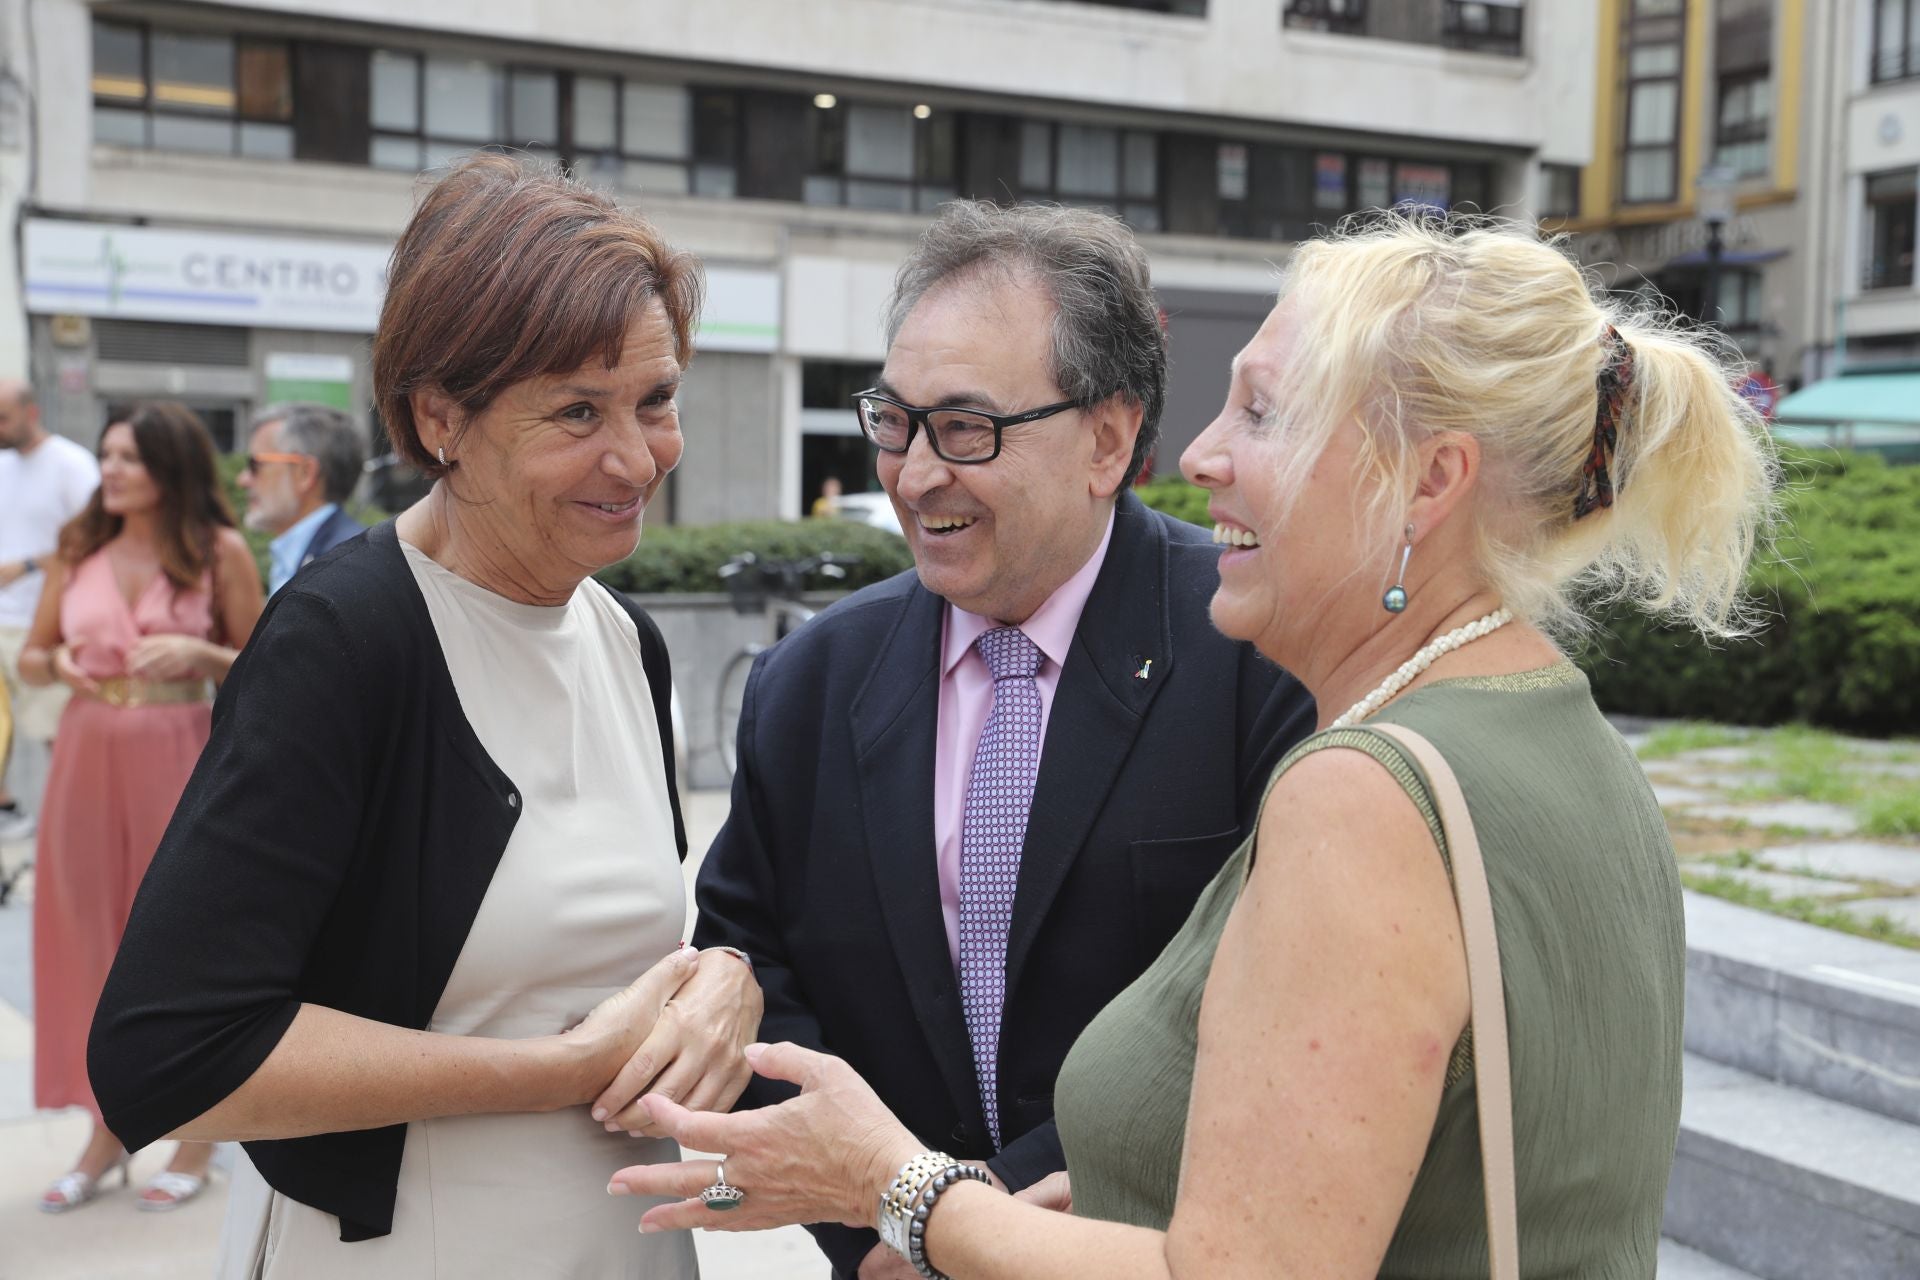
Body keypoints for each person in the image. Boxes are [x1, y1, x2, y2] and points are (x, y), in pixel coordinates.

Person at [614, 214, 1777, 1277]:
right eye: (895, 421)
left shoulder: (1360, 783)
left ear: (1429, 480)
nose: (1206, 454)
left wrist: (908, 1194)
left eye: (1264, 412)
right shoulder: (1557, 727)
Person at [87, 156, 762, 1276]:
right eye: (577, 411)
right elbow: (173, 1048)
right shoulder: (348, 641)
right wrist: (555, 1068)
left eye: (656, 399)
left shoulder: (623, 636)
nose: (637, 456)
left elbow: (609, 953)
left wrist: (720, 975)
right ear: (440, 415)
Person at [692, 200, 1315, 1280]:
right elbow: (750, 963)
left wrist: (954, 1216)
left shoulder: (1255, 650)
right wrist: (877, 1221)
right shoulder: (809, 684)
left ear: (1109, 438)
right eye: (894, 420)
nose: (916, 472)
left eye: (967, 428)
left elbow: (1279, 1005)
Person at [18, 401, 264, 1214]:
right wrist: (57, 660)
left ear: (170, 466)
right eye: (106, 455)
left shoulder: (217, 551)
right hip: (87, 752)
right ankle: (104, 1129)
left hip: (180, 750)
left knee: (180, 944)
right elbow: (30, 655)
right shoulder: (76, 548)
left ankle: (198, 1133)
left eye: (128, 456)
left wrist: (201, 652)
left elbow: (267, 668)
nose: (111, 470)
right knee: (87, 940)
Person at [0, 380, 100, 842]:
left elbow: (95, 539)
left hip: (44, 620)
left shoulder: (70, 464)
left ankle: (74, 825)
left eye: (4, 418)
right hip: (3, 619)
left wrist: (23, 566)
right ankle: (10, 811)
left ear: (31, 412)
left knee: (53, 732)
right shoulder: (3, 464)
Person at [237, 402, 367, 595]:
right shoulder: (332, 554)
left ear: (305, 473)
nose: (243, 480)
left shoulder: (344, 565)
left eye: (255, 465)